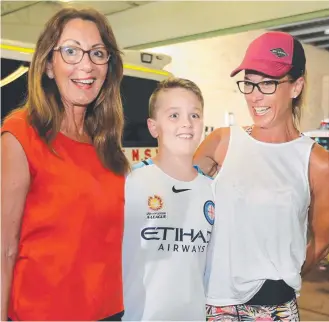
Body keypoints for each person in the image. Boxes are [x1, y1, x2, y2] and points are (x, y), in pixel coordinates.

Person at [194, 31, 329, 321]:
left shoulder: (318, 163)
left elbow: (322, 241)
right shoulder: (221, 144)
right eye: (249, 82)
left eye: (268, 83)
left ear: (296, 87)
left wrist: (284, 274)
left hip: (274, 308)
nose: (255, 95)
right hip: (212, 302)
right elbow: (183, 205)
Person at [1, 7, 129, 321]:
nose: (86, 65)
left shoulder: (106, 143)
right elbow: (3, 249)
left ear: (108, 66)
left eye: (97, 53)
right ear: (48, 65)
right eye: (71, 51)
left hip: (108, 312)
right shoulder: (21, 135)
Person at [122, 78, 215, 321]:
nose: (186, 123)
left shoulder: (213, 191)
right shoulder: (129, 182)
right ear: (153, 127)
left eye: (194, 115)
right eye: (174, 115)